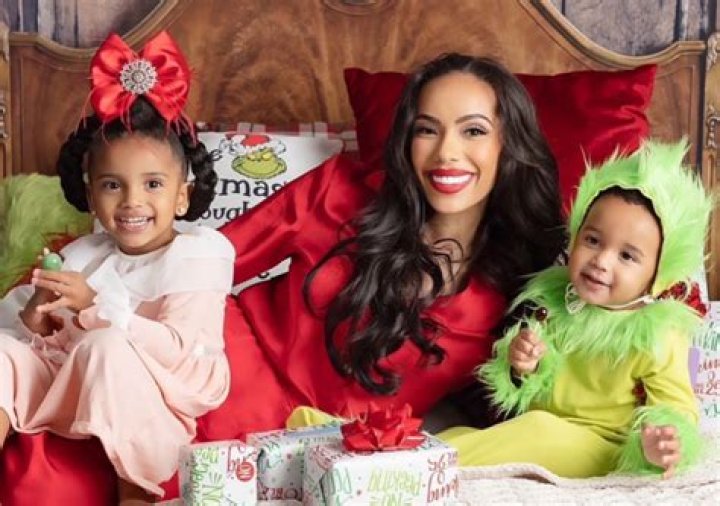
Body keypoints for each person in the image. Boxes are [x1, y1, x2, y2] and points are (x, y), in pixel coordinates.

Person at [197, 52, 565, 443]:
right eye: (427, 130)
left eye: (473, 131)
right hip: (231, 384)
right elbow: (201, 263)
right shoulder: (336, 191)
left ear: (508, 144)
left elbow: (512, 405)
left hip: (348, 452)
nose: (446, 152)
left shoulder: (519, 285)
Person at [0, 32, 234, 503]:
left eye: (153, 184)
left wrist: (95, 307)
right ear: (91, 195)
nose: (132, 201)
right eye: (112, 185)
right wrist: (42, 319)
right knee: (2, 350)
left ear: (182, 196)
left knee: (105, 346)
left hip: (157, 395)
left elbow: (179, 353)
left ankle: (135, 494)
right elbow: (55, 347)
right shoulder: (86, 254)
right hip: (74, 383)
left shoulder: (197, 257)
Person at [437, 140, 713, 478]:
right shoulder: (554, 304)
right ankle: (426, 452)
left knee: (538, 430)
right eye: (593, 240)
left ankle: (433, 465)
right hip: (542, 427)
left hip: (601, 444)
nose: (601, 261)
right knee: (466, 433)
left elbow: (676, 407)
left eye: (627, 256)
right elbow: (525, 389)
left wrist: (664, 442)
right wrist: (523, 365)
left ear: (657, 274)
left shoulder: (657, 335)